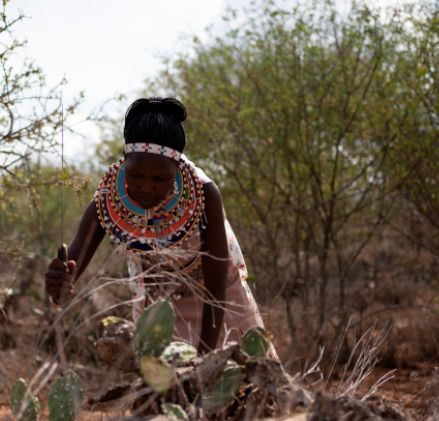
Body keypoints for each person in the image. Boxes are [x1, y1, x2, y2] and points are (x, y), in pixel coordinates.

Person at [45, 97, 275, 357]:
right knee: (164, 388)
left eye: (160, 178)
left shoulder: (204, 194)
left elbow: (216, 289)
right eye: (136, 175)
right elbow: (72, 267)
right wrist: (59, 284)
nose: (146, 186)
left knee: (241, 383)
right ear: (124, 160)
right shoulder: (110, 199)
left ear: (178, 168)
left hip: (222, 306)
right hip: (162, 309)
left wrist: (204, 362)